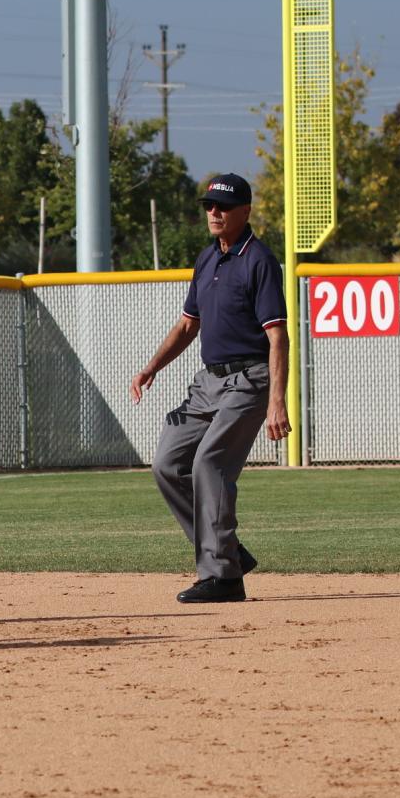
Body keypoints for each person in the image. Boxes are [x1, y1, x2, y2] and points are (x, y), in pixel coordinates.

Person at [129, 172, 290, 604]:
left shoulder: (259, 260)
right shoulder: (207, 259)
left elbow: (277, 336)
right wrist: (152, 368)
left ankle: (224, 577)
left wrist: (278, 400)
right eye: (208, 206)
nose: (213, 213)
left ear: (245, 211)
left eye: (222, 206)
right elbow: (187, 325)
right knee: (167, 464)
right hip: (208, 381)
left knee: (209, 464)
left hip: (249, 380)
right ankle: (228, 551)